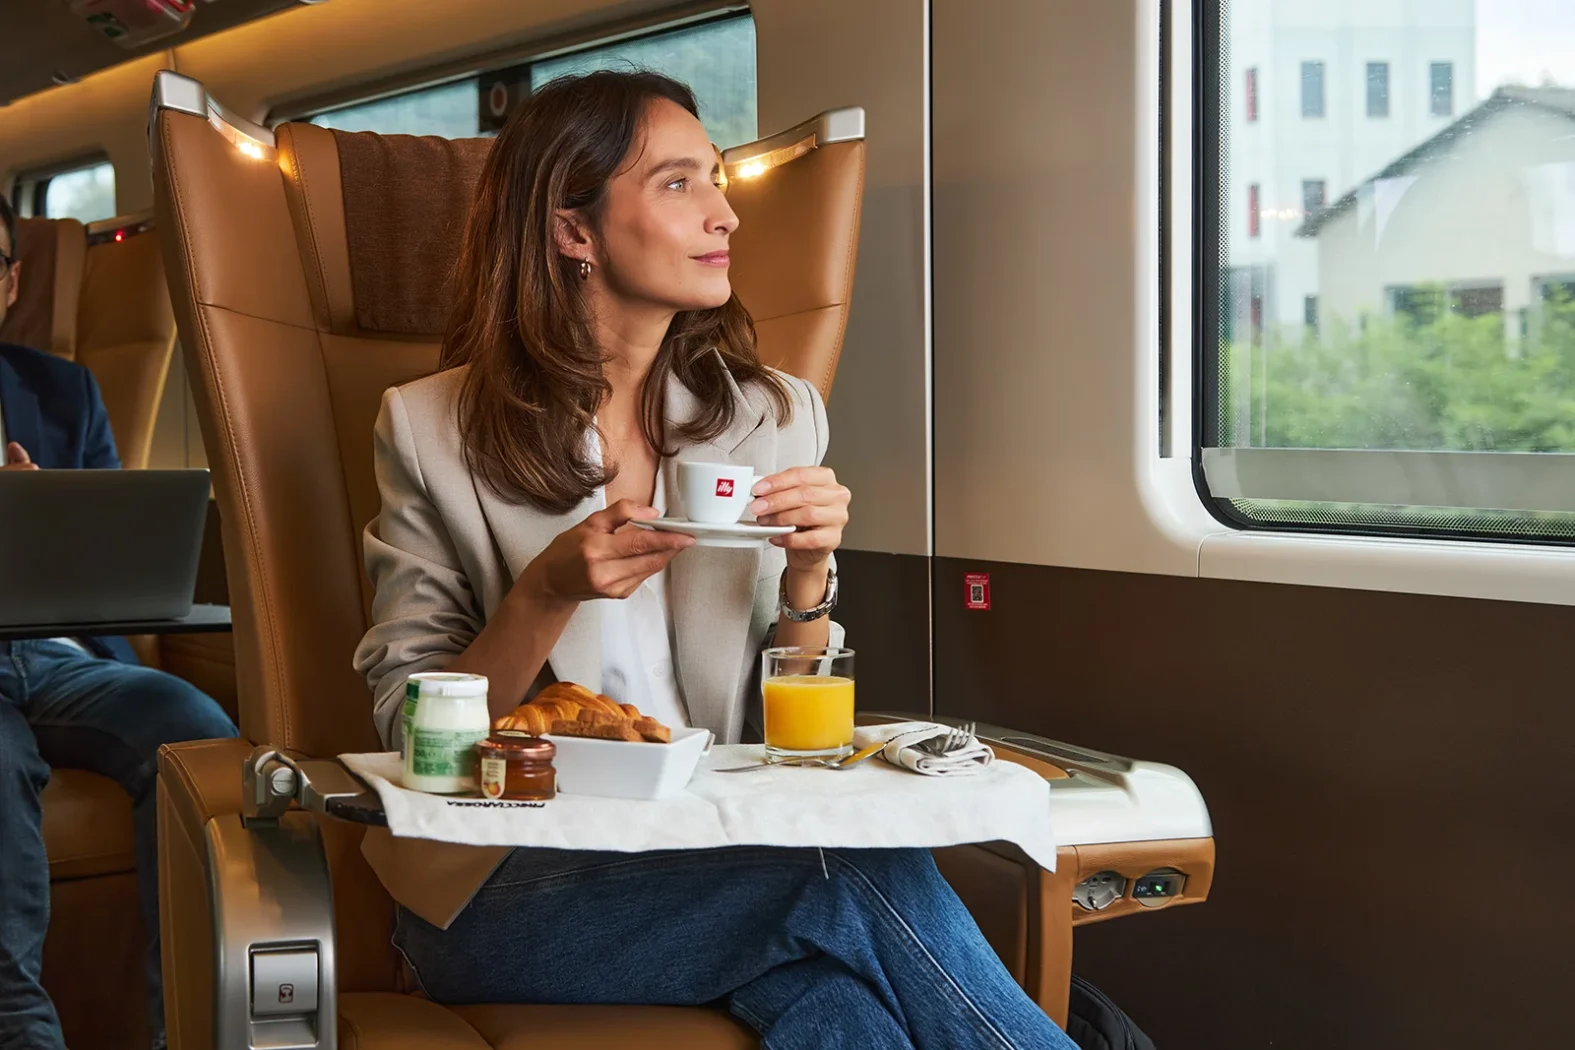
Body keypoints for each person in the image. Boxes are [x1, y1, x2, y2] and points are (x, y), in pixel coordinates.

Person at [352, 71, 1078, 1050]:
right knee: (855, 873)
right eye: (679, 184)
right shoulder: (430, 428)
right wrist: (545, 594)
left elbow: (801, 735)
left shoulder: (773, 416)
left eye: (719, 180)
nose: (725, 213)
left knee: (844, 1014)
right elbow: (411, 736)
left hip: (725, 843)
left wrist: (809, 580)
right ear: (573, 230)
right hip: (508, 876)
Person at [0, 194, 239, 1050]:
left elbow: (112, 562)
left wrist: (44, 520)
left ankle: (193, 1024)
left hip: (58, 649)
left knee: (193, 727)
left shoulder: (63, 392)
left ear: (11, 282)